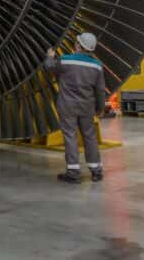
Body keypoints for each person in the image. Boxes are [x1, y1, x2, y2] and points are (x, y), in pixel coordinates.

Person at [44, 32, 107, 184]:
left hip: (68, 106)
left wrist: (50, 56)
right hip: (87, 107)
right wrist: (100, 108)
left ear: (78, 45)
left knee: (70, 136)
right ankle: (96, 171)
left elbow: (49, 67)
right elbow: (100, 90)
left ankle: (73, 172)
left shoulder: (65, 61)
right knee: (89, 137)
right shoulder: (97, 66)